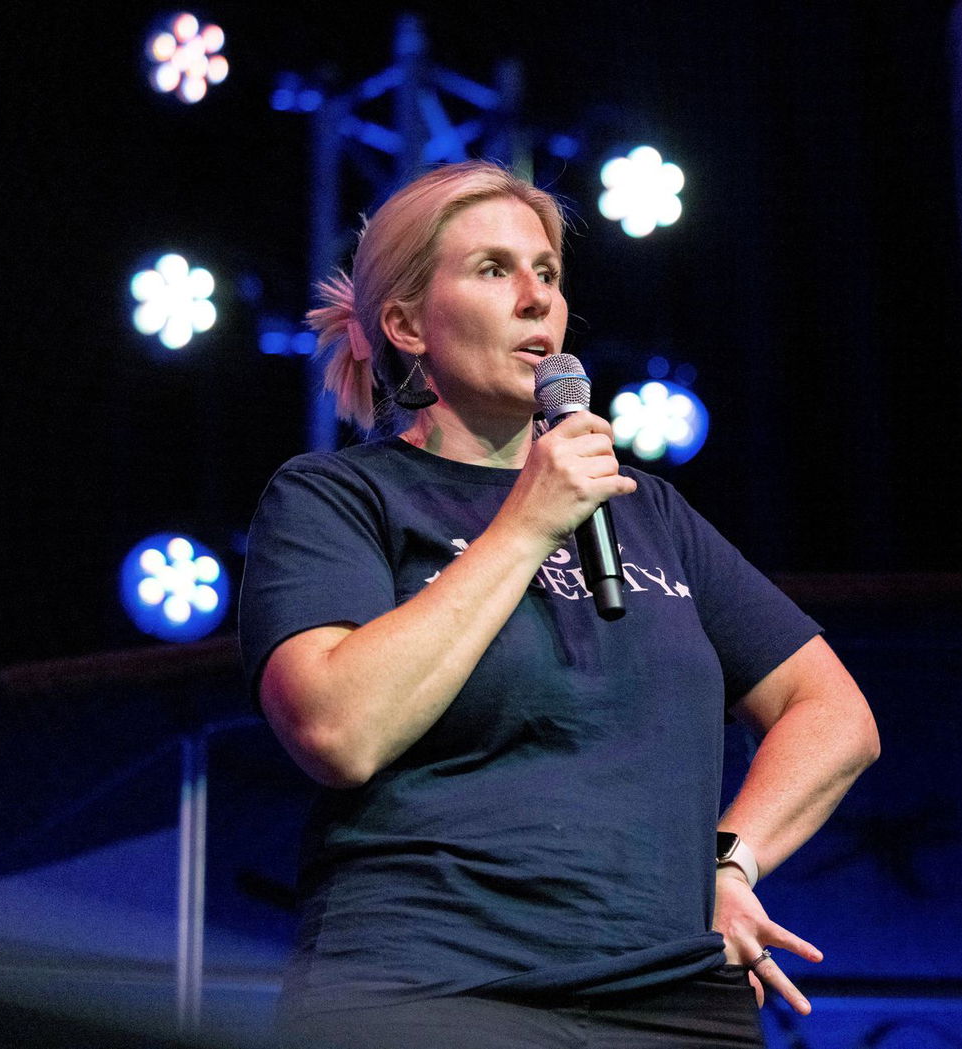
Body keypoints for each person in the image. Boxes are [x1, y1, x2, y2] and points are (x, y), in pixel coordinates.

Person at [238, 160, 880, 1048]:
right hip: (432, 987)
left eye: (548, 273)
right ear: (407, 323)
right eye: (494, 270)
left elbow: (836, 714)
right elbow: (337, 729)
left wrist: (731, 859)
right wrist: (525, 524)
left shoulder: (645, 513)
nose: (537, 298)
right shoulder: (340, 498)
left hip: (671, 994)